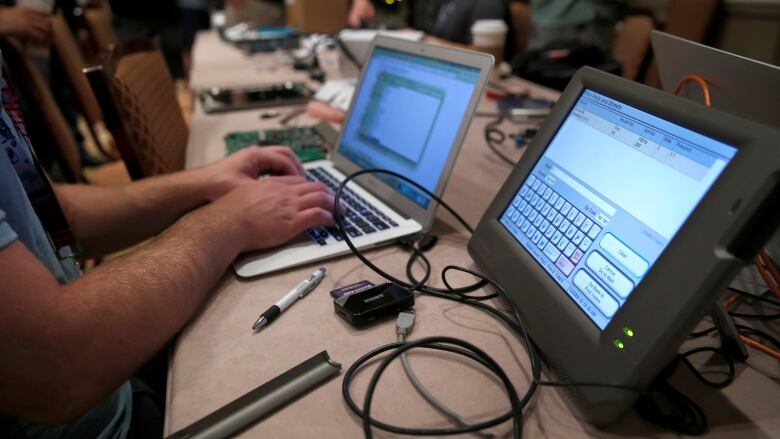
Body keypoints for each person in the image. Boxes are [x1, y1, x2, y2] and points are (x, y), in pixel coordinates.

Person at [0, 65, 337, 437]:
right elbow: (57, 362)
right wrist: (230, 220)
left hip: (115, 386)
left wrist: (203, 182)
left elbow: (52, 213)